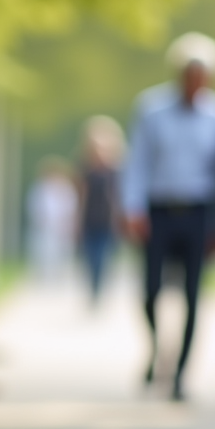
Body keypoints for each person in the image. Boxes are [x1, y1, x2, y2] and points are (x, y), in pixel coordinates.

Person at [120, 32, 215, 401]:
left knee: (193, 294)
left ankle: (182, 372)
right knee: (151, 290)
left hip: (200, 212)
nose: (195, 82)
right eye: (189, 73)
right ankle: (157, 348)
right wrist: (133, 208)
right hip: (160, 210)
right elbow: (138, 162)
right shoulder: (152, 109)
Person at [76, 116, 124, 302]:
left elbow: (118, 197)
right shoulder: (85, 168)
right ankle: (92, 289)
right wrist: (77, 222)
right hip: (89, 220)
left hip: (107, 221)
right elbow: (81, 196)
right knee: (90, 259)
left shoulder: (115, 170)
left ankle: (100, 290)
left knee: (103, 259)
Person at [25, 156, 78, 286]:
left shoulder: (66, 189)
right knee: (43, 252)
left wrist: (67, 222)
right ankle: (43, 278)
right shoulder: (39, 189)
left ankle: (58, 277)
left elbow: (71, 207)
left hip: (62, 227)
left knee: (61, 253)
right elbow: (33, 206)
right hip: (44, 227)